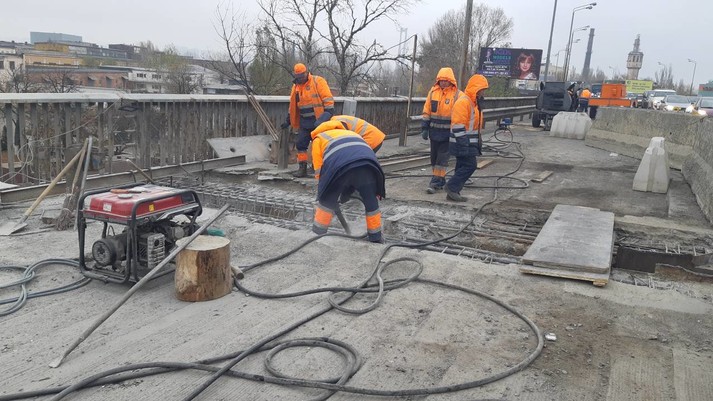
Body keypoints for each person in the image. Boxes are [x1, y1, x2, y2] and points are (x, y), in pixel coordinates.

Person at [310, 120, 386, 243]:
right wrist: (346, 192)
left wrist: (325, 193)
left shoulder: (318, 139)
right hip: (368, 166)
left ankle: (317, 233)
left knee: (326, 202)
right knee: (370, 199)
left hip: (340, 168)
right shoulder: (352, 133)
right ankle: (376, 237)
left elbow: (320, 171)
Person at [280, 63, 335, 178]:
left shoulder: (317, 81)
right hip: (304, 122)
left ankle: (320, 168)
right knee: (301, 144)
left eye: (302, 75)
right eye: (298, 76)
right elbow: (293, 106)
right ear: (296, 76)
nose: (301, 78)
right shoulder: (296, 87)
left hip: (318, 121)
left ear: (306, 73)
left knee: (319, 145)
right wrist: (288, 121)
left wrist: (324, 117)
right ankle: (302, 169)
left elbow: (329, 103)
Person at [446, 74, 489, 202]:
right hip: (462, 142)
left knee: (461, 166)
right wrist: (464, 143)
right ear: (476, 89)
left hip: (467, 142)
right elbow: (458, 125)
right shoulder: (464, 102)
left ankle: (453, 192)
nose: (483, 93)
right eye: (482, 90)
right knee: (470, 165)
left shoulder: (474, 104)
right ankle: (451, 187)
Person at [421, 67, 463, 194]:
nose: (443, 82)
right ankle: (440, 180)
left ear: (451, 81)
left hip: (448, 134)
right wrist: (424, 127)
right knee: (434, 159)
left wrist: (458, 132)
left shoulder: (457, 95)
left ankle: (434, 183)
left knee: (442, 160)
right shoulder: (433, 92)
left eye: (446, 80)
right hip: (434, 133)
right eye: (441, 80)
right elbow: (427, 110)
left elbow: (460, 114)